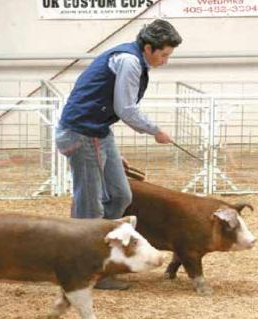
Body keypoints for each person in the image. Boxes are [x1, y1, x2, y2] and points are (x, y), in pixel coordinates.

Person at [56, 19, 182, 290]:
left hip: (98, 132)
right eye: (164, 54)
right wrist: (155, 130)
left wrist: (112, 152)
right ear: (148, 48)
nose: (165, 60)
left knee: (120, 195)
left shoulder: (133, 60)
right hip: (81, 132)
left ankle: (101, 249)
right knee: (89, 205)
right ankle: (86, 268)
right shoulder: (130, 61)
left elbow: (110, 110)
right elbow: (125, 108)